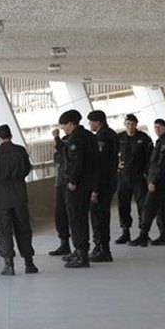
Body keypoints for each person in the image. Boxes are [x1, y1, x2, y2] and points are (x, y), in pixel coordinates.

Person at [0, 124, 38, 276]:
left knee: (4, 230)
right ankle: (29, 263)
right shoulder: (20, 150)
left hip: (0, 198)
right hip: (19, 196)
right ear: (11, 136)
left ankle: (9, 264)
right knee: (24, 229)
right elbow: (27, 169)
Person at [58, 109, 99, 268]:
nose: (64, 130)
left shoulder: (76, 137)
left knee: (76, 217)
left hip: (78, 185)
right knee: (81, 216)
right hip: (88, 183)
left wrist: (73, 181)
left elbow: (77, 161)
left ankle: (81, 254)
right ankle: (80, 250)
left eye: (64, 126)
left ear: (70, 123)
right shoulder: (90, 135)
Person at [129, 118, 165, 247]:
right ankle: (163, 236)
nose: (157, 130)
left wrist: (153, 181)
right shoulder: (160, 142)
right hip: (160, 180)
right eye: (155, 127)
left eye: (159, 127)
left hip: (160, 182)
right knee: (161, 209)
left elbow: (163, 164)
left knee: (148, 207)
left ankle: (143, 236)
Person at [115, 114, 153, 244]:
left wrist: (148, 176)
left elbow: (150, 159)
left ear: (136, 125)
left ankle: (144, 233)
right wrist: (115, 164)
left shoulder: (143, 138)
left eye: (133, 124)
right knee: (123, 206)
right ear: (125, 124)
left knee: (143, 206)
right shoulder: (119, 138)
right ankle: (125, 232)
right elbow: (109, 155)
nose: (130, 126)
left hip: (138, 178)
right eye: (128, 124)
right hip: (123, 178)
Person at [87, 110, 119, 262]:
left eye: (91, 122)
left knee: (99, 215)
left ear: (98, 122)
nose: (90, 125)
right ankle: (100, 247)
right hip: (110, 180)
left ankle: (102, 249)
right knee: (101, 214)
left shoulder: (102, 137)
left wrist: (95, 189)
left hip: (103, 183)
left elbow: (100, 165)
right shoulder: (112, 133)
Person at [48, 127, 71, 256]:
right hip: (60, 182)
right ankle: (64, 243)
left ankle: (80, 247)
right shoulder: (64, 141)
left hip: (72, 182)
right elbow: (58, 157)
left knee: (73, 214)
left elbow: (68, 156)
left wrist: (56, 139)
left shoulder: (77, 140)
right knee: (60, 214)